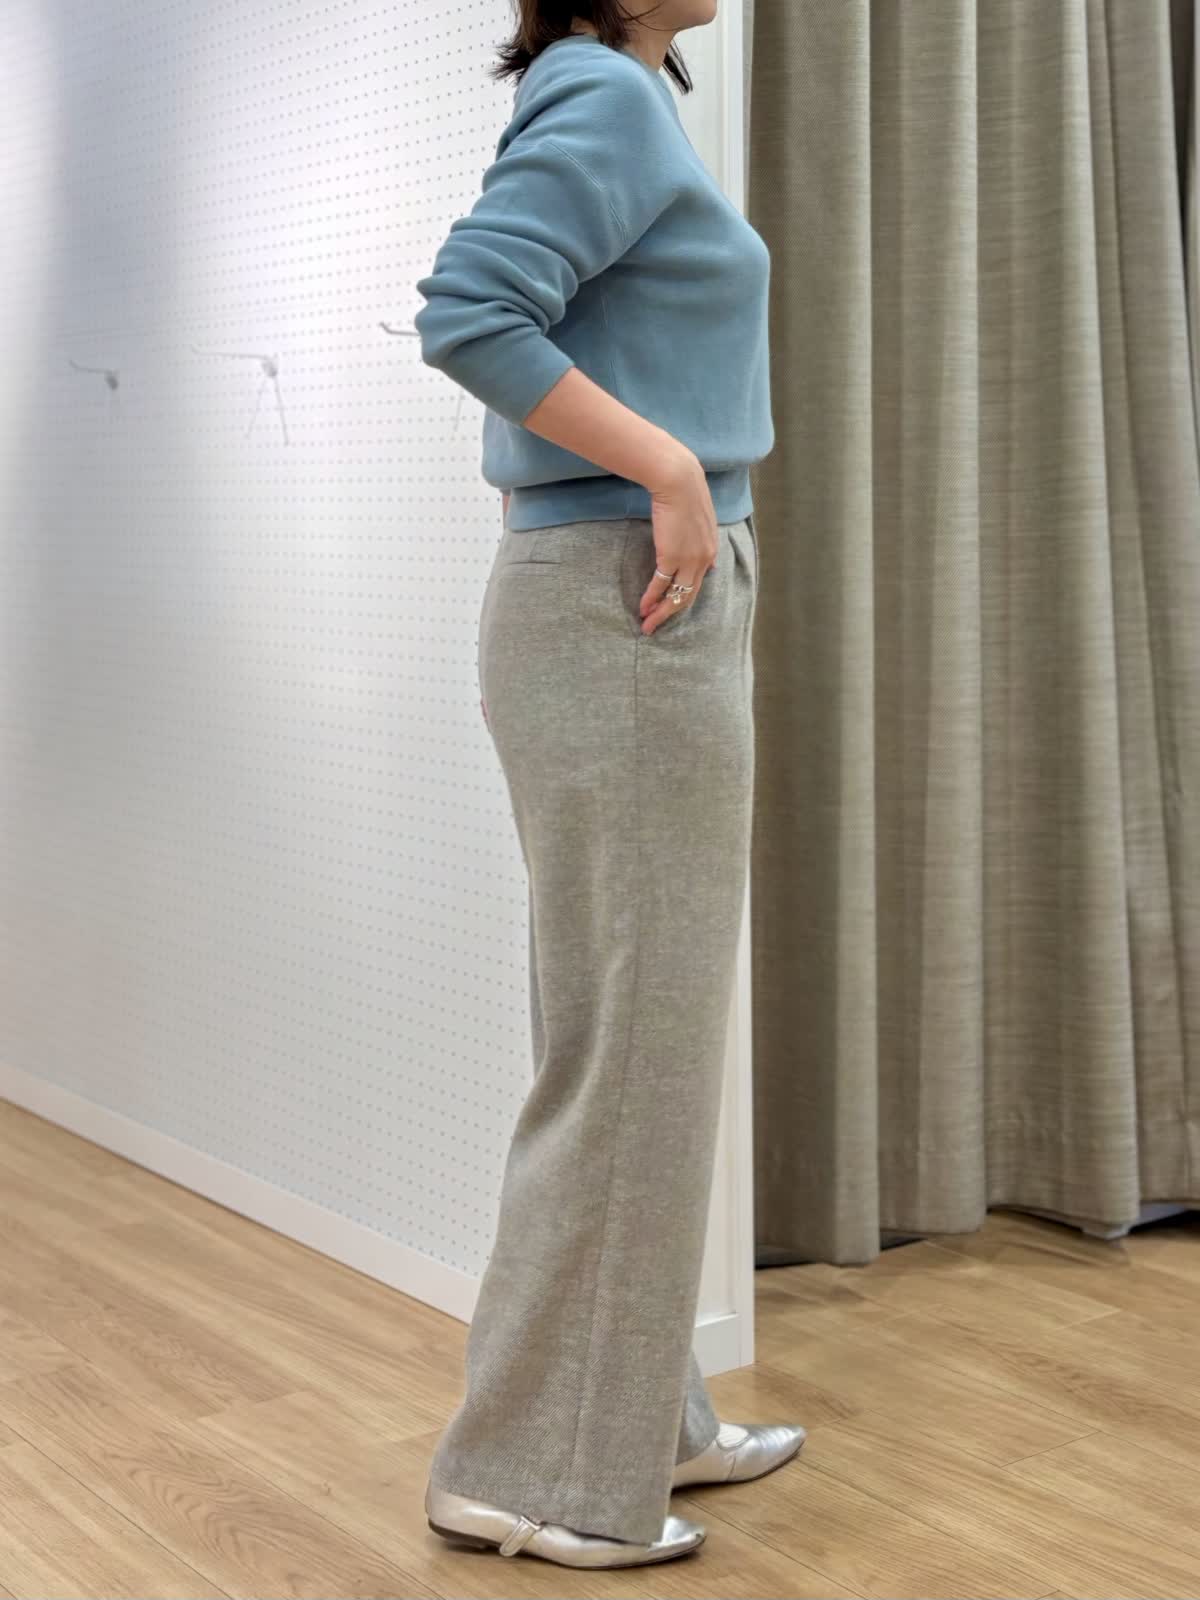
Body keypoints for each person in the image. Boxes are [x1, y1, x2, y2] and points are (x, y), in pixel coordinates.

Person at [413, 0, 804, 1571]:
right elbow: (470, 311)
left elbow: (559, 331)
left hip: (616, 597)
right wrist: (668, 465)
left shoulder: (624, 93)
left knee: (637, 1034)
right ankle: (535, 1476)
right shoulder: (604, 89)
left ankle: (640, 1418)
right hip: (623, 596)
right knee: (628, 1050)